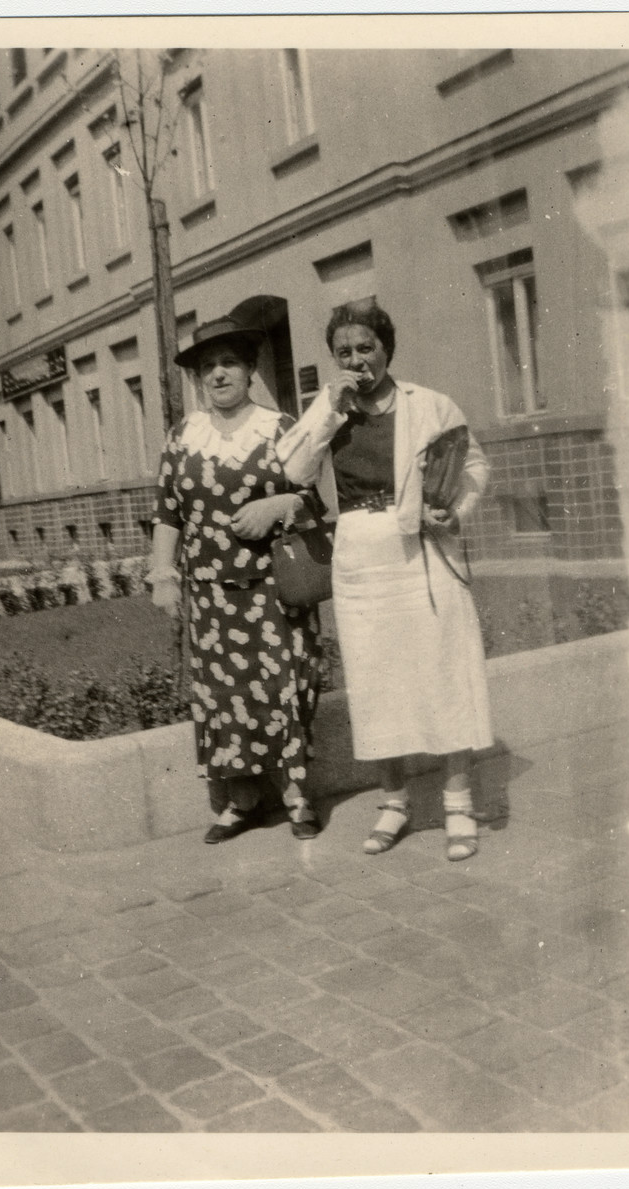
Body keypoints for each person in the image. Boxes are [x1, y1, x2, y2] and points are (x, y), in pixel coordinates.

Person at [277, 301, 492, 860]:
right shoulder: (329, 409)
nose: (356, 360)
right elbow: (293, 469)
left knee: (442, 669)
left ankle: (457, 803)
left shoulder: (430, 404)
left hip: (422, 552)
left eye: (365, 348)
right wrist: (329, 408)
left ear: (386, 349)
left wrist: (454, 513)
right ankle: (394, 803)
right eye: (344, 351)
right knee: (376, 682)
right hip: (361, 558)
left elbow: (474, 468)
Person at [149, 314, 321, 844]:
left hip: (274, 588)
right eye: (208, 367)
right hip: (209, 593)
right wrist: (163, 575)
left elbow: (314, 501)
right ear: (200, 379)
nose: (219, 375)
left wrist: (278, 504)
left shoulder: (280, 427)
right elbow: (167, 512)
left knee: (282, 687)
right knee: (224, 696)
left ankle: (297, 798)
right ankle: (241, 801)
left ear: (249, 371)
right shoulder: (183, 437)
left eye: (229, 363)